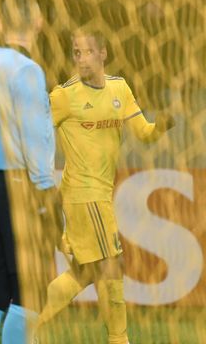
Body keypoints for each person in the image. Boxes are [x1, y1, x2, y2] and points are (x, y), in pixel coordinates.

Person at [35, 30, 174, 343]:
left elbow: (144, 132)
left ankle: (32, 324)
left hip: (100, 194)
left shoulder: (119, 89)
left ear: (103, 54)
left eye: (87, 52)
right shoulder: (64, 95)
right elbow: (36, 129)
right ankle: (119, 339)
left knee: (87, 271)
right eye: (76, 53)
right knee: (113, 265)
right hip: (83, 195)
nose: (82, 59)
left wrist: (161, 127)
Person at [0, 0, 61, 344]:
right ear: (36, 24)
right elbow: (35, 138)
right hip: (23, 186)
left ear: (2, 24)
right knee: (30, 291)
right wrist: (45, 189)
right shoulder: (28, 71)